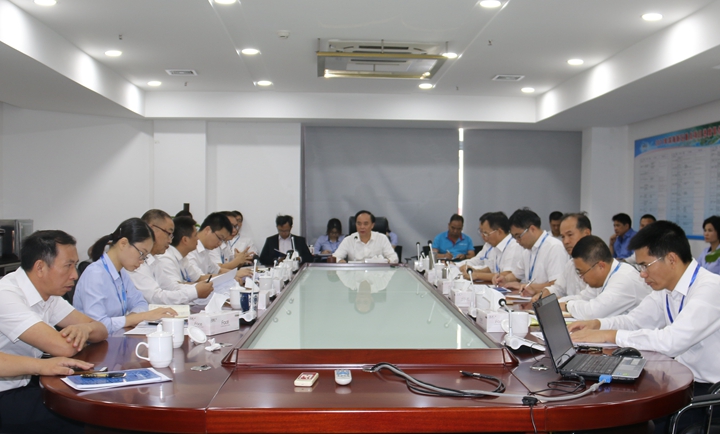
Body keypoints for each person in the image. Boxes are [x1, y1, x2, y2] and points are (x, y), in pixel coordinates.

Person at [568, 221, 720, 432]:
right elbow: (634, 321)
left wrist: (610, 335)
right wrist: (597, 325)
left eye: (645, 265)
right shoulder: (666, 289)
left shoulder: (710, 289)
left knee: (632, 421)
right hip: (683, 380)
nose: (642, 274)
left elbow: (671, 342)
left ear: (671, 259)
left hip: (709, 396)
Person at [0, 230, 108, 434]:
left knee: (96, 394)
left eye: (75, 265)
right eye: (68, 265)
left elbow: (101, 330)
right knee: (84, 413)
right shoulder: (6, 295)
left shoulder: (50, 294)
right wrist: (82, 335)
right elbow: (63, 347)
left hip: (25, 382)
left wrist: (85, 328)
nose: (75, 275)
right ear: (40, 267)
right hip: (6, 392)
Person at [73, 218, 178, 334]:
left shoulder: (121, 272)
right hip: (94, 343)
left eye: (145, 257)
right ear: (123, 243)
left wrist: (131, 318)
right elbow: (97, 325)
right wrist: (138, 317)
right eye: (142, 253)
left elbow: (140, 302)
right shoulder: (95, 274)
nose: (142, 261)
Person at [558, 235, 650, 319]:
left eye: (582, 272)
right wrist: (558, 303)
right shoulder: (604, 277)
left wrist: (567, 306)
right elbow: (583, 297)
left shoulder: (623, 279)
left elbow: (593, 313)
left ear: (601, 266)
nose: (581, 277)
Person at [494, 208, 568, 295]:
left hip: (546, 299)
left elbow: (556, 286)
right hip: (529, 297)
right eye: (514, 237)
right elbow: (516, 275)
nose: (517, 241)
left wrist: (525, 286)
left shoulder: (554, 247)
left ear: (532, 229)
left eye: (518, 236)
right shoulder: (527, 250)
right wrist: (505, 279)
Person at [128, 209, 185, 304]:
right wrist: (195, 292)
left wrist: (196, 290)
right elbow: (155, 297)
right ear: (151, 229)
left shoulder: (153, 259)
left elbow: (170, 287)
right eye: (168, 233)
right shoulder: (135, 260)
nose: (170, 241)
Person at [533, 213, 592, 301]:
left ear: (586, 233)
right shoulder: (570, 264)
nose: (565, 241)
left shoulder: (597, 264)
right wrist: (545, 293)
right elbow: (558, 288)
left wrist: (559, 300)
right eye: (563, 237)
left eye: (570, 235)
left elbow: (588, 299)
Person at [155, 217, 216, 303]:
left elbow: (198, 278)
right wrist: (196, 289)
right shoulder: (166, 258)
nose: (198, 239)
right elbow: (174, 289)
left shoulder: (183, 257)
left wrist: (225, 278)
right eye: (195, 235)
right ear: (185, 240)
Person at [458, 212, 523, 282]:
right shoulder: (496, 245)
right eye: (481, 232)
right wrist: (475, 271)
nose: (483, 236)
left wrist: (477, 275)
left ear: (499, 232)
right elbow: (491, 269)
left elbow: (507, 275)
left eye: (486, 233)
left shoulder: (514, 246)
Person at [333, 210, 399, 263]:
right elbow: (335, 257)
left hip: (377, 274)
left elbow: (394, 258)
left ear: (372, 225)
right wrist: (340, 261)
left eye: (366, 224)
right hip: (355, 274)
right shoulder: (349, 240)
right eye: (359, 224)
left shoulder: (382, 238)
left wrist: (383, 262)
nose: (362, 227)